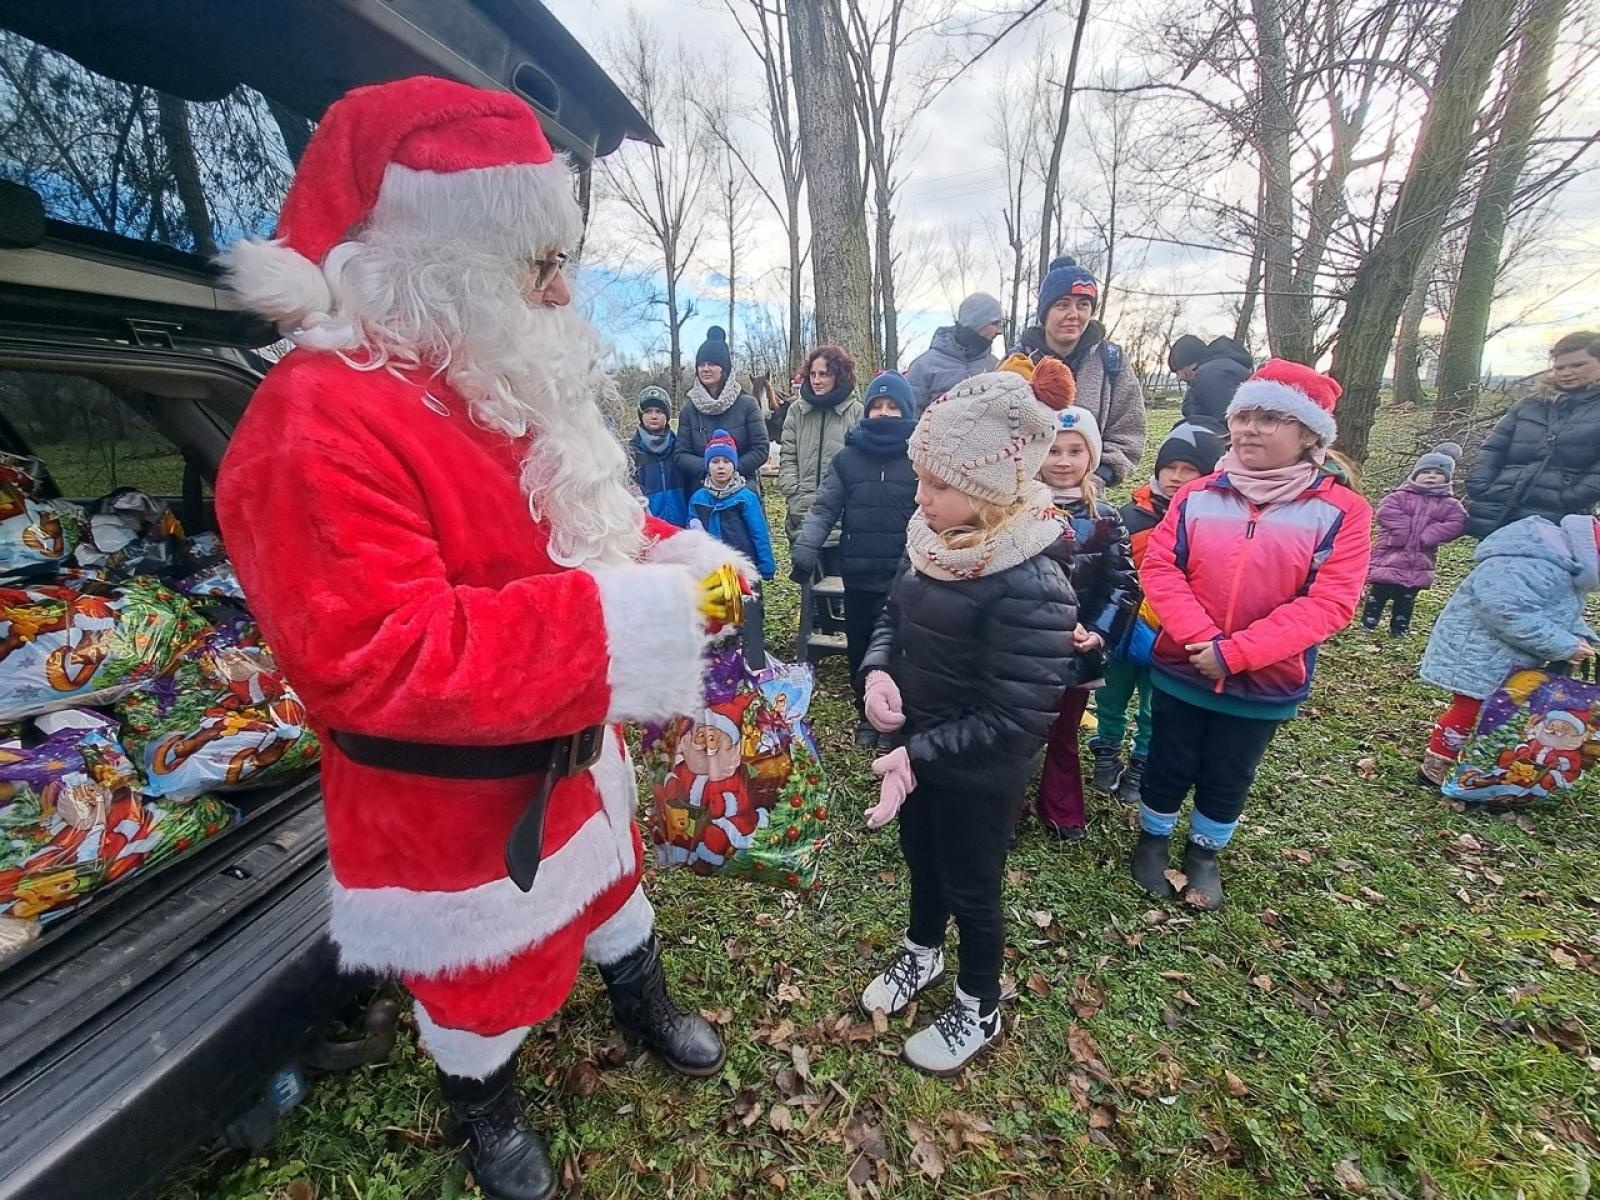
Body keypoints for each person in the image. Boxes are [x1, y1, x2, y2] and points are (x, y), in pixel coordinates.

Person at [214, 78, 738, 1200]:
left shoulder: (492, 371)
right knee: (478, 977)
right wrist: (634, 621)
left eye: (562, 258)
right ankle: (483, 1104)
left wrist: (673, 558)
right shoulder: (315, 421)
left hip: (574, 753)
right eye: (531, 260)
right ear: (425, 257)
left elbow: (582, 510)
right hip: (448, 805)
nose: (559, 288)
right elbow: (380, 654)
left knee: (613, 891)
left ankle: (640, 995)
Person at [853, 359, 1078, 1075]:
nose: (920, 498)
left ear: (988, 491)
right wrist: (878, 668)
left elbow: (1016, 716)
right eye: (921, 477)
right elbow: (894, 613)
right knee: (920, 859)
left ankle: (980, 1001)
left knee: (972, 887)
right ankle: (921, 950)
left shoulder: (1033, 582)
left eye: (938, 484)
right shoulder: (931, 545)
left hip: (975, 770)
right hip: (916, 751)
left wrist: (917, 755)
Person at [1137, 360, 1372, 910]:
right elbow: (1163, 570)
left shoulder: (1342, 512)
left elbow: (1330, 601)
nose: (1249, 430)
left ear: (1309, 433)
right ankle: (1152, 837)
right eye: (1243, 416)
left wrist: (1237, 654)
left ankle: (1204, 850)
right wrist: (1201, 642)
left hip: (1266, 679)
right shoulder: (1198, 495)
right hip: (1183, 665)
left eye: (1269, 419)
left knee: (1230, 769)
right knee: (1169, 756)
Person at [1091, 421, 1224, 807]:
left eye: (1189, 471)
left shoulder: (1209, 524)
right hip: (1122, 632)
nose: (1177, 478)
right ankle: (1107, 750)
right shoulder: (1129, 518)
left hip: (1172, 636)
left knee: (1155, 706)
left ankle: (1141, 762)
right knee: (1110, 697)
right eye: (1171, 468)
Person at [1417, 512, 1598, 785]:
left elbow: (1560, 610)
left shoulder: (1561, 565)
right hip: (1478, 651)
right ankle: (1437, 765)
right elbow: (1506, 612)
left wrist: (1580, 635)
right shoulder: (1525, 563)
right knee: (1471, 708)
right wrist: (1564, 645)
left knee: (1497, 712)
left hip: (1508, 654)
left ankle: (1477, 765)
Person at [789, 371, 919, 747]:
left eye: (892, 406)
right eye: (877, 405)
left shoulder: (918, 457)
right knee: (860, 645)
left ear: (906, 410)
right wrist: (807, 547)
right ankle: (867, 712)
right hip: (859, 572)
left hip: (906, 574)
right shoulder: (848, 458)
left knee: (901, 648)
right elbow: (824, 508)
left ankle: (896, 716)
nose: (884, 412)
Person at [1034, 404, 1137, 840]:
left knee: (1064, 731)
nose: (1062, 461)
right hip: (1023, 646)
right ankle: (1004, 805)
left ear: (1091, 458)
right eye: (1053, 450)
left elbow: (1121, 586)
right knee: (1017, 730)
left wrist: (1097, 631)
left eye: (1075, 450)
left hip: (1075, 650)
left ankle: (1061, 807)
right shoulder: (1015, 511)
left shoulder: (1107, 520)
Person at [1009, 256, 1146, 485]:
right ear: (1045, 312)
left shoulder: (1112, 362)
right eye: (1062, 304)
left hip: (1088, 497)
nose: (1073, 315)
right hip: (1023, 497)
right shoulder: (1017, 362)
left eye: (1083, 305)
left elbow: (1129, 431)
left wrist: (1099, 476)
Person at [1465, 331, 1600, 538]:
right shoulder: (1530, 405)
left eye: (1578, 365)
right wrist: (1481, 487)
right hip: (1500, 510)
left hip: (1561, 520)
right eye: (1559, 367)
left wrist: (1570, 498)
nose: (1566, 373)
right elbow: (1494, 448)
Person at [1362, 444, 1468, 636]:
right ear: (1415, 474)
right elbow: (1386, 513)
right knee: (1379, 591)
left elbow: (1457, 523)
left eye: (1438, 473)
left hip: (1420, 558)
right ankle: (1369, 622)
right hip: (1391, 553)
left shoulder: (1449, 504)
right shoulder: (1400, 496)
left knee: (1407, 596)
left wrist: (1429, 535)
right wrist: (1403, 531)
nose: (1431, 476)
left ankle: (1399, 627)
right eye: (1426, 471)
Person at [690, 431, 776, 666]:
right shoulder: (699, 498)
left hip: (743, 570)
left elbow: (759, 532)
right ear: (708, 465)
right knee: (722, 620)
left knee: (749, 618)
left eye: (726, 461)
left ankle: (754, 661)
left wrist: (765, 565)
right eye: (715, 461)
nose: (721, 467)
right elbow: (693, 531)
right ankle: (725, 665)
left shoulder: (745, 497)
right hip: (714, 573)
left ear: (734, 465)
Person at [780, 344, 863, 541]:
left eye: (824, 374)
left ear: (838, 375)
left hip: (842, 521)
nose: (816, 381)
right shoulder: (796, 411)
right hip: (802, 516)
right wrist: (796, 497)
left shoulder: (856, 412)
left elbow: (860, 466)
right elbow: (788, 457)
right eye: (813, 374)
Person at [675, 327, 769, 487]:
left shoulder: (747, 404)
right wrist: (709, 469)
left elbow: (761, 449)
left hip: (743, 488)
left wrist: (731, 468)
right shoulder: (689, 410)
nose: (705, 369)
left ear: (724, 368)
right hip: (702, 491)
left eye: (712, 364)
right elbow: (681, 454)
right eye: (701, 364)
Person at [905, 292, 1003, 414]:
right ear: (977, 322)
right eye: (995, 323)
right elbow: (909, 416)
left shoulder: (996, 367)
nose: (1000, 331)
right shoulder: (923, 366)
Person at [1167, 334, 1253, 429]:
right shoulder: (1220, 369)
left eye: (1178, 372)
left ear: (1188, 367)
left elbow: (1223, 423)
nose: (1179, 378)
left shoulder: (1212, 375)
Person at [632, 386, 689, 527]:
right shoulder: (631, 454)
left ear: (667, 416)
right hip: (649, 530)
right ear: (641, 416)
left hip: (682, 528)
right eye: (648, 411)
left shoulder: (680, 448)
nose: (654, 416)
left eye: (659, 411)